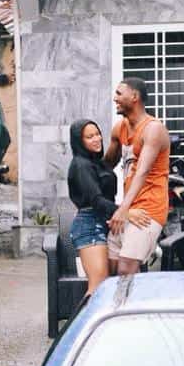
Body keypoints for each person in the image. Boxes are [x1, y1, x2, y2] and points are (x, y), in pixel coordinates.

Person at [102, 77, 168, 275]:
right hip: (129, 209)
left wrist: (122, 209)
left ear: (134, 97)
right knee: (112, 271)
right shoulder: (119, 128)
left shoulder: (153, 129)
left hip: (149, 211)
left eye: (119, 94)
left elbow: (143, 171)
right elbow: (106, 165)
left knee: (125, 270)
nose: (115, 98)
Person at [67, 119, 118, 295]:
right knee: (97, 287)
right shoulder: (81, 165)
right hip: (90, 226)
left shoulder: (97, 163)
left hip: (104, 224)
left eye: (97, 134)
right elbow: (96, 200)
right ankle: (82, 323)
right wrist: (125, 212)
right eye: (89, 137)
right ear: (79, 141)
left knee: (107, 286)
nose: (96, 139)